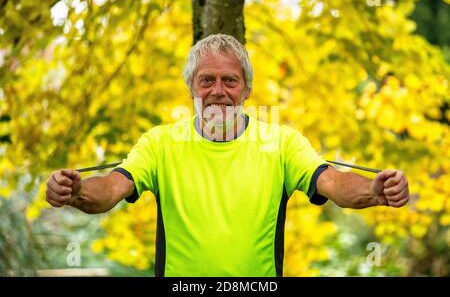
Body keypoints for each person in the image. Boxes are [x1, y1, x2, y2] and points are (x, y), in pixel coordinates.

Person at [46, 34, 410, 277]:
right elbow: (110, 189)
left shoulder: (282, 143)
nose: (217, 91)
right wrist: (75, 192)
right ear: (191, 87)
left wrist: (376, 191)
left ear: (247, 89)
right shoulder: (159, 143)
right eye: (207, 80)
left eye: (229, 81)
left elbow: (334, 183)